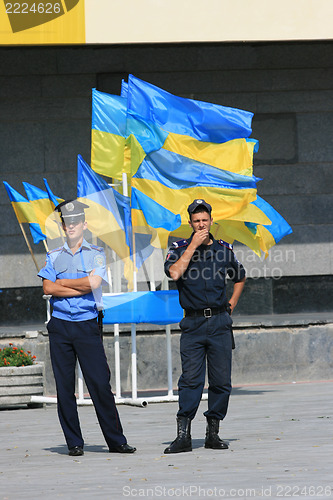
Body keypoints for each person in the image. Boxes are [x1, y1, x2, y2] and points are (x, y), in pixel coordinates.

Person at [38, 199, 136, 456]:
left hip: (87, 325)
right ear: (63, 226)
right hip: (60, 326)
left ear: (84, 224)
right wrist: (77, 284)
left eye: (75, 222)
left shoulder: (96, 253)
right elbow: (48, 288)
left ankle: (116, 441)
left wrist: (64, 284)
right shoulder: (53, 255)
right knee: (64, 387)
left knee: (100, 384)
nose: (71, 226)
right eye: (67, 223)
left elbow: (93, 283)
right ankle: (74, 443)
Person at [163, 199, 246, 454]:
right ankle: (183, 435)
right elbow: (174, 274)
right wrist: (193, 246)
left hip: (220, 322)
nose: (201, 224)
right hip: (193, 323)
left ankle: (213, 432)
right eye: (196, 221)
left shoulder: (223, 249)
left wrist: (231, 303)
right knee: (190, 380)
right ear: (190, 223)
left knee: (221, 382)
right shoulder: (179, 248)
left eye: (205, 220)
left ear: (211, 221)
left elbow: (240, 276)